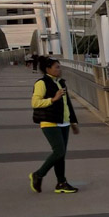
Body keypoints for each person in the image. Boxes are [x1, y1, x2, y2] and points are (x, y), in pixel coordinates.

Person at [28, 57, 80, 194]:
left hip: (64, 122)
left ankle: (61, 183)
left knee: (60, 155)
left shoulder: (61, 82)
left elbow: (67, 103)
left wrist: (73, 122)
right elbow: (35, 103)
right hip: (49, 122)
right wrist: (53, 99)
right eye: (56, 67)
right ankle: (38, 175)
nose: (59, 69)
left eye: (59, 66)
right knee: (59, 151)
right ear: (48, 69)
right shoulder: (41, 83)